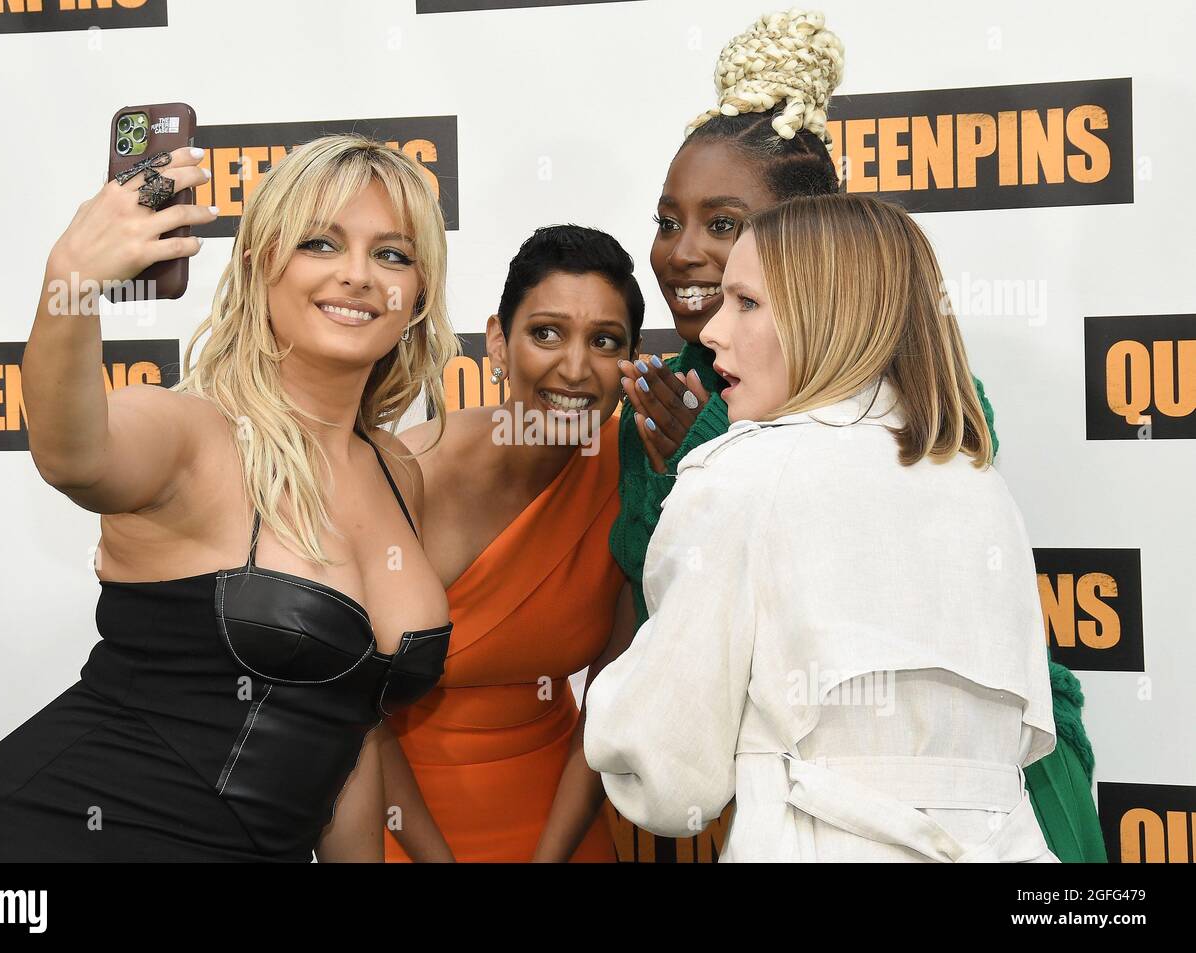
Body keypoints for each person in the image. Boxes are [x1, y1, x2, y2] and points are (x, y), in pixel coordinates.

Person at [608, 8, 1103, 862]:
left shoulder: (930, 411)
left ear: (817, 250)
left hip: (1019, 791)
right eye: (668, 219)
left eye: (727, 229)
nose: (688, 254)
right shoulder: (665, 398)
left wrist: (714, 454)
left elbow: (666, 758)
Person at [0, 134, 459, 862]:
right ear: (262, 261)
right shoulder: (195, 432)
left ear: (419, 290)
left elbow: (350, 726)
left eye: (393, 254)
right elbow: (73, 452)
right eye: (320, 244)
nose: (358, 275)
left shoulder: (398, 469)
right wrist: (70, 278)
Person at [585, 192, 1061, 862]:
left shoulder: (740, 476)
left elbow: (668, 775)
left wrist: (608, 704)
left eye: (747, 302)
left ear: (829, 316)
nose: (715, 330)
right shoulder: (982, 488)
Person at [378, 226, 642, 862]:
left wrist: (550, 857)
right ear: (498, 340)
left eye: (604, 342)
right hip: (403, 823)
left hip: (564, 817)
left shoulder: (630, 474)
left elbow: (607, 705)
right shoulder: (404, 475)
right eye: (545, 333)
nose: (575, 368)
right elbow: (355, 715)